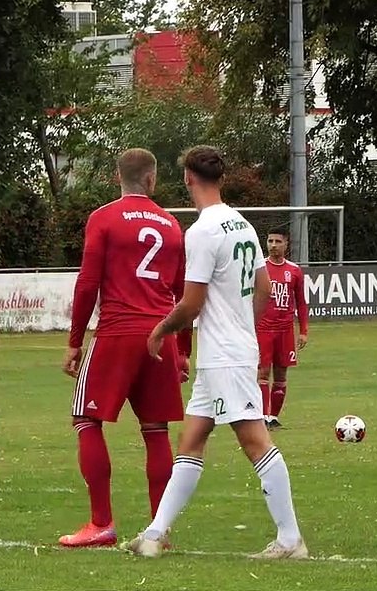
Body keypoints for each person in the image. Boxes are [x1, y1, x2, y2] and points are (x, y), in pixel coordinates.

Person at [126, 146, 308, 560]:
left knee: (255, 442)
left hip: (226, 355)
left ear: (189, 178)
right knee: (190, 441)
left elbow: (190, 304)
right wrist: (241, 323)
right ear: (219, 178)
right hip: (224, 354)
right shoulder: (241, 224)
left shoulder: (202, 231)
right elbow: (263, 290)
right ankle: (154, 535)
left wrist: (160, 330)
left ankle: (290, 539)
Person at [59, 148, 189, 548]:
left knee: (85, 419)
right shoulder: (171, 224)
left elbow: (87, 282)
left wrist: (75, 341)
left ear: (118, 178)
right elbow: (184, 293)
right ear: (151, 180)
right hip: (161, 334)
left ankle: (101, 523)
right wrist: (182, 350)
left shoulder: (104, 218)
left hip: (118, 332)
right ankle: (158, 529)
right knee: (156, 431)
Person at [257, 230, 308, 429]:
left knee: (281, 374)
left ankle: (273, 418)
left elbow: (301, 303)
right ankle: (262, 416)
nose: (273, 245)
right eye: (270, 241)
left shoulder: (294, 271)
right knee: (262, 372)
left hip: (285, 330)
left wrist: (303, 331)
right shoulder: (259, 268)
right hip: (263, 328)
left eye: (278, 241)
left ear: (286, 244)